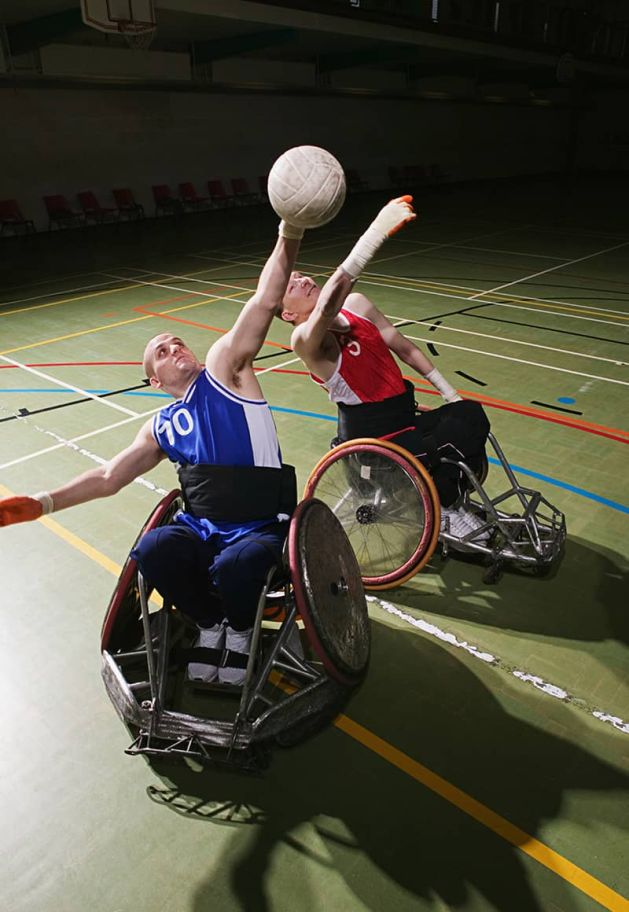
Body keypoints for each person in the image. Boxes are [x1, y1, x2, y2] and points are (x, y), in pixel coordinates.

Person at [0, 215, 308, 685]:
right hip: (204, 527)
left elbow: (266, 299)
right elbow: (109, 477)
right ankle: (211, 623)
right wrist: (43, 503)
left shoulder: (226, 371)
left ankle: (242, 632)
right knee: (153, 548)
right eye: (161, 352)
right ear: (154, 381)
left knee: (237, 563)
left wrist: (290, 230)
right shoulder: (160, 426)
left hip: (261, 524)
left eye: (176, 342)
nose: (173, 347)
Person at [279, 195, 490, 539]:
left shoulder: (356, 305)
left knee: (470, 414)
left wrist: (449, 393)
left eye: (302, 275)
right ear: (288, 313)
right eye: (292, 284)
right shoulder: (305, 340)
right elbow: (327, 305)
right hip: (375, 444)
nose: (303, 280)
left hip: (401, 421)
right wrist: (375, 234)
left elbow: (404, 348)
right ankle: (446, 509)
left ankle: (447, 499)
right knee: (457, 437)